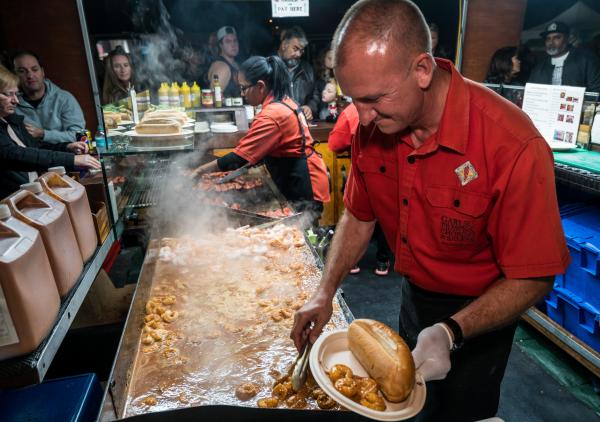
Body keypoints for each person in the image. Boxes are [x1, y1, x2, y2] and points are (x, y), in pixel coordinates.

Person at [290, 1, 570, 421]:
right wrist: (324, 292)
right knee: (407, 408)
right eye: (353, 99)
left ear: (422, 70)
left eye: (373, 100)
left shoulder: (512, 145)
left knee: (462, 412)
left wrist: (450, 331)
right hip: (413, 298)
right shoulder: (374, 128)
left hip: (481, 315)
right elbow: (359, 215)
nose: (361, 117)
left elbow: (534, 275)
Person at [192, 55, 329, 221]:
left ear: (260, 86)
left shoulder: (272, 115)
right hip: (303, 176)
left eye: (243, 88)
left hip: (301, 184)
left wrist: (200, 171)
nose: (242, 94)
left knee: (301, 235)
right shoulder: (284, 101)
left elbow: (239, 158)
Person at [0, 65, 100, 198]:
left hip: (34, 192)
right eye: (8, 94)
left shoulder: (11, 120)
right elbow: (17, 155)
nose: (16, 101)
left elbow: (36, 148)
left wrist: (66, 147)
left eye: (16, 94)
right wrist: (72, 159)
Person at [328, 103, 393, 276]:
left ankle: (353, 262)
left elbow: (335, 144)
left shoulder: (352, 110)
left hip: (361, 173)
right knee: (386, 216)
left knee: (356, 215)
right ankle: (383, 261)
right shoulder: (395, 105)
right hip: (392, 175)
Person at [12, 51, 86, 144]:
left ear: (42, 72)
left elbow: (79, 136)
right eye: (22, 71)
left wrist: (43, 134)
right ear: (15, 76)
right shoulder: (11, 103)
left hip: (65, 155)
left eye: (34, 69)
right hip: (31, 157)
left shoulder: (64, 99)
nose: (30, 75)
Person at [529, 21, 600, 93]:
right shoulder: (540, 67)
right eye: (548, 39)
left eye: (557, 38)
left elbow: (596, 91)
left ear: (567, 39)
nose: (551, 42)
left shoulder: (585, 61)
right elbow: (531, 91)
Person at [277, 26, 319, 120]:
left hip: (301, 125)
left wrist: (310, 107)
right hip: (278, 124)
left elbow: (315, 96)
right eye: (295, 49)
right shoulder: (269, 67)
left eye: (301, 50)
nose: (299, 54)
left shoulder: (308, 69)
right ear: (284, 45)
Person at [207, 26, 241, 98]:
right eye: (228, 41)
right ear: (221, 45)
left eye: (235, 40)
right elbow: (214, 99)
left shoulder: (236, 64)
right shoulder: (222, 67)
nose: (233, 45)